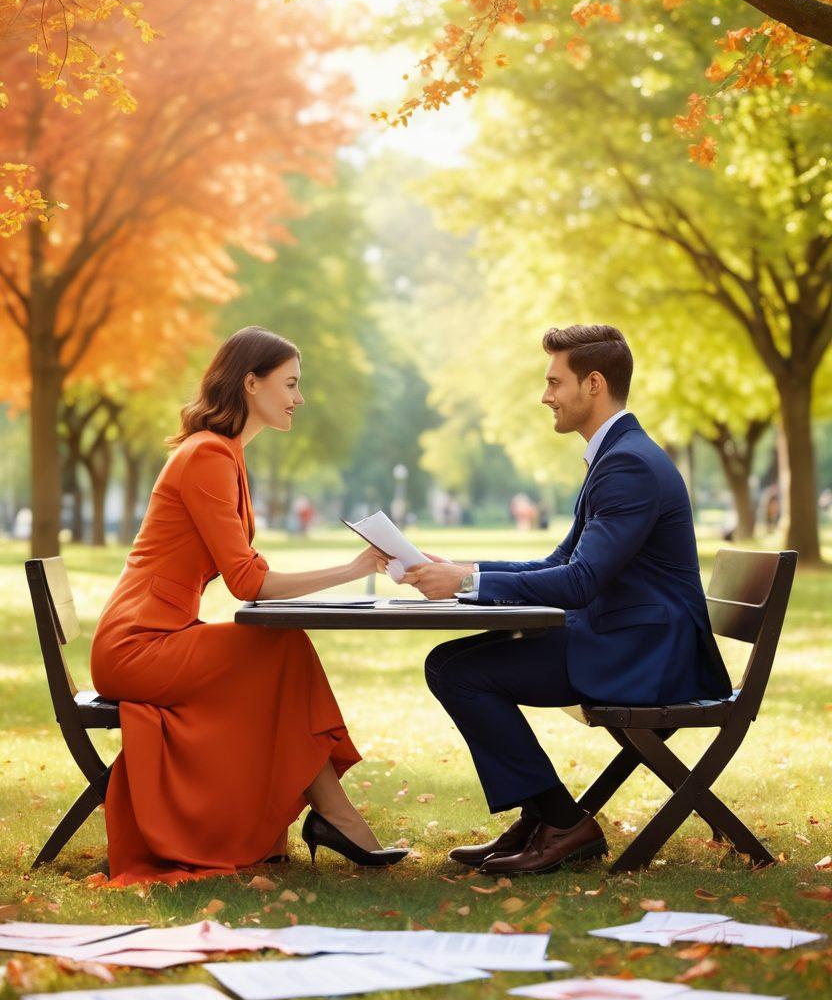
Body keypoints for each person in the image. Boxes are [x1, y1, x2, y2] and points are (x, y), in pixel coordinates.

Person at [403, 324, 732, 877]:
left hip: (644, 657)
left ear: (594, 384)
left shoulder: (628, 465)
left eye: (555, 382)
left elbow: (579, 583)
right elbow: (560, 563)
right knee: (451, 663)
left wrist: (463, 584)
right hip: (626, 639)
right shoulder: (618, 456)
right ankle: (544, 815)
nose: (545, 396)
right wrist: (465, 572)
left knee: (458, 672)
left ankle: (561, 820)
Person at [91, 326, 404, 886]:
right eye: (291, 383)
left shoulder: (224, 455)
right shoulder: (207, 455)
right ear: (251, 383)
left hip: (162, 633)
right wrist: (354, 569)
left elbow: (247, 575)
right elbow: (248, 582)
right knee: (282, 649)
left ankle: (334, 816)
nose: (299, 398)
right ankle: (335, 817)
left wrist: (354, 569)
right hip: (137, 645)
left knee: (281, 652)